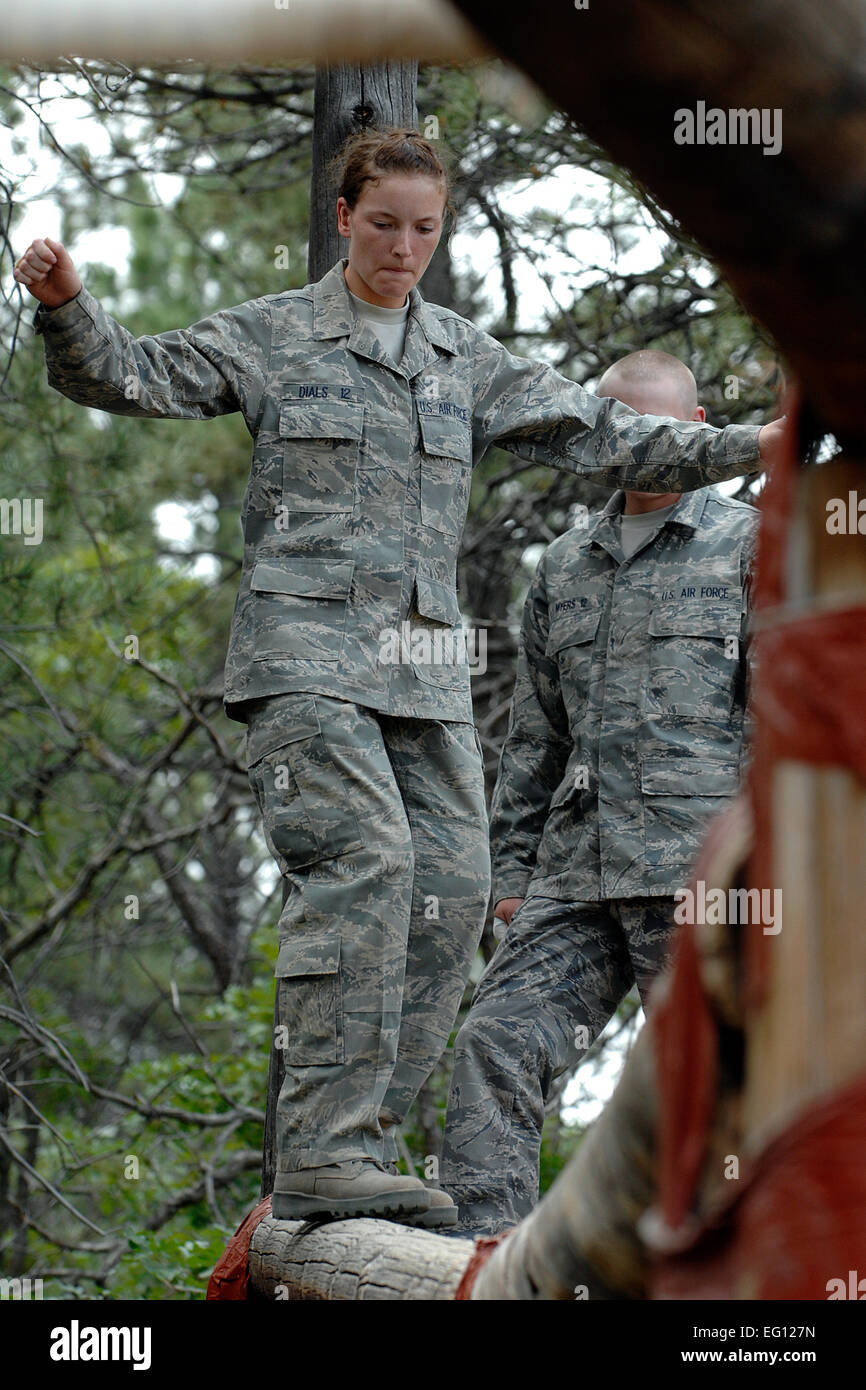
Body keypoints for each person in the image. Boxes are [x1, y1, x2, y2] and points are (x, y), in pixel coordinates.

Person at [14, 128, 780, 1227]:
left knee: (456, 887)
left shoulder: (463, 356)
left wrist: (755, 439)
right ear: (342, 218)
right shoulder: (276, 334)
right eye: (384, 224)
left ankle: (363, 1141)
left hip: (420, 674)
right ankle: (321, 1141)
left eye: (424, 229)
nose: (403, 248)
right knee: (369, 860)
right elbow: (132, 373)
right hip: (306, 662)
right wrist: (68, 301)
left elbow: (609, 438)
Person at [439, 350, 759, 1236]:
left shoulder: (753, 546)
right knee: (494, 1046)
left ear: (696, 435)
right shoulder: (565, 565)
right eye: (625, 435)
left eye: (663, 435)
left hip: (703, 876)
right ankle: (485, 1265)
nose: (643, 453)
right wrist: (511, 870)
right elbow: (537, 733)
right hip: (575, 877)